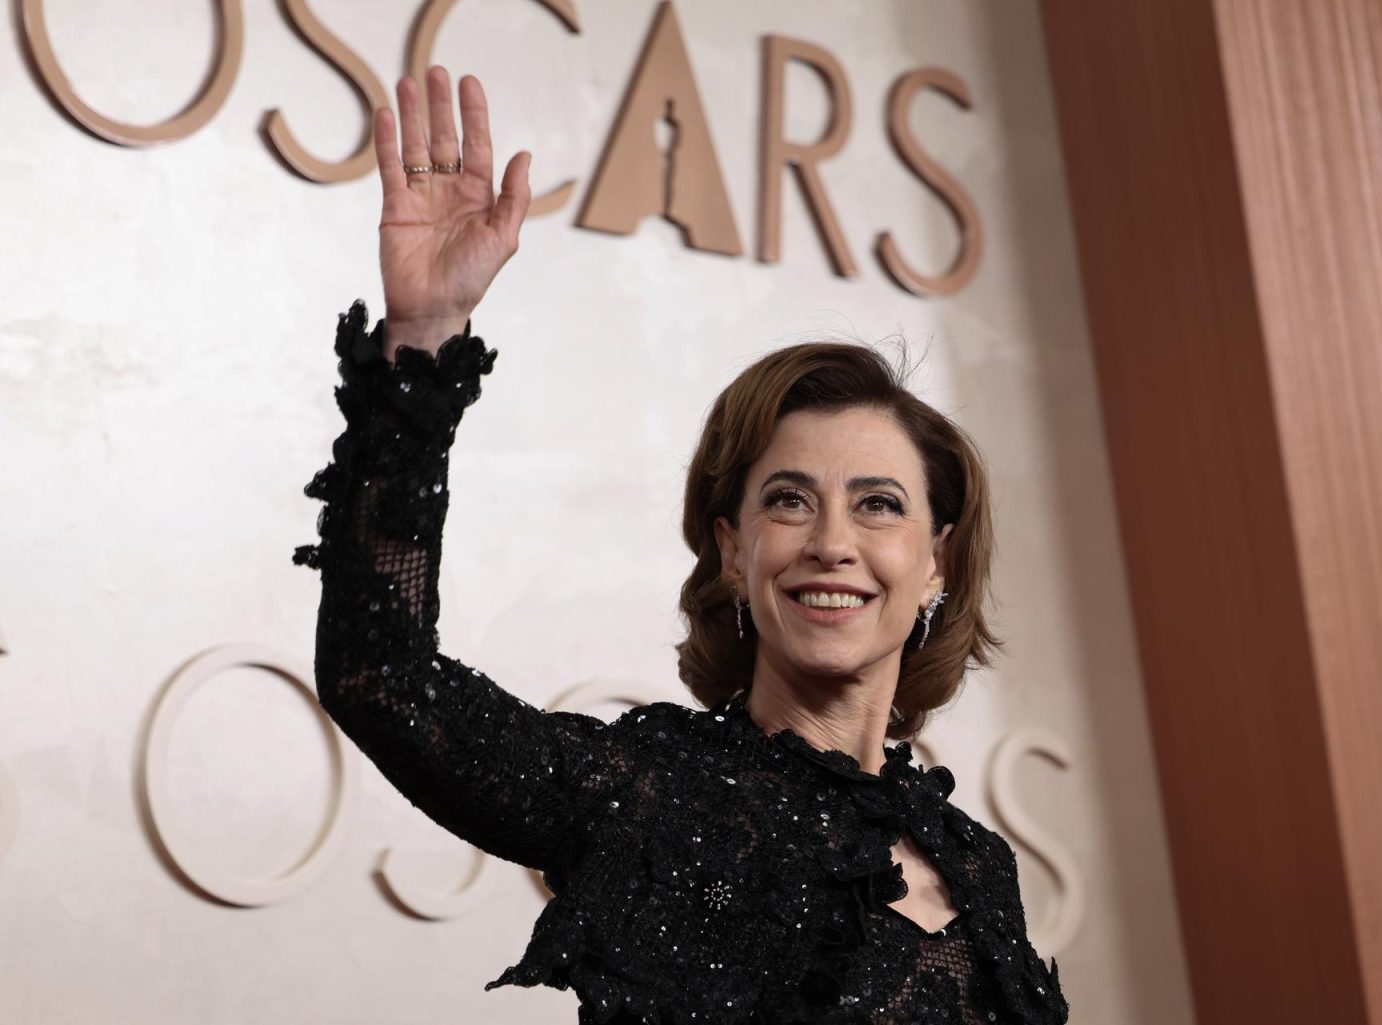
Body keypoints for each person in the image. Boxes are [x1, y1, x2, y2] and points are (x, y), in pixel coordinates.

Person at [294, 64, 1069, 1025]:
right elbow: (383, 677)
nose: (833, 542)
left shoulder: (979, 866)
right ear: (733, 550)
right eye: (789, 500)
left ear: (938, 562)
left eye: (878, 505)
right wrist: (426, 334)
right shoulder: (649, 797)